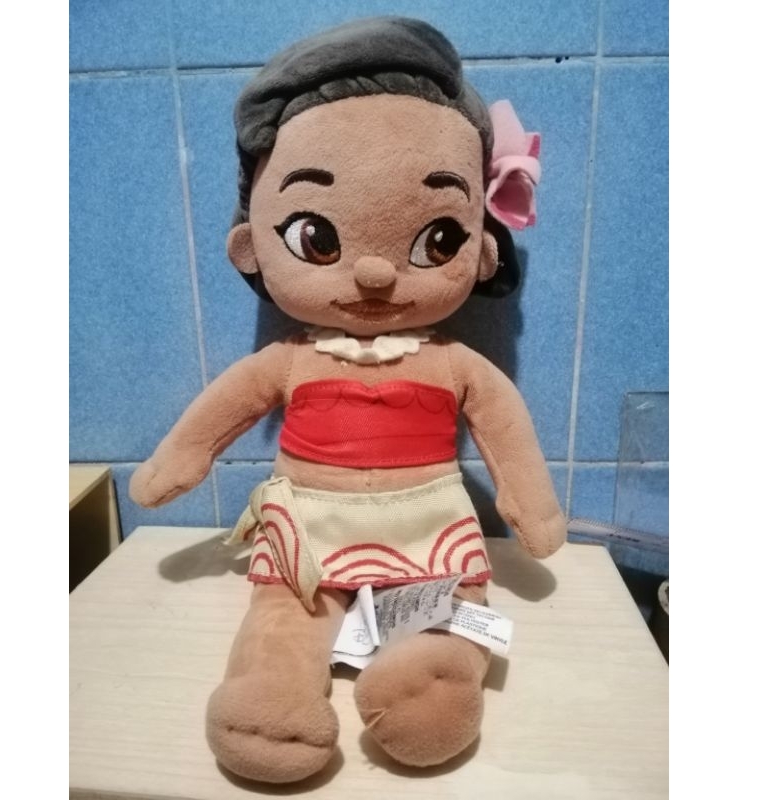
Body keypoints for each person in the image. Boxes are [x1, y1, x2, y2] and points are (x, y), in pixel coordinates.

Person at [130, 16, 565, 784]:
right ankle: (272, 694)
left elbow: (505, 427)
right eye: (317, 238)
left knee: (452, 605)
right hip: (309, 533)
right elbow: (216, 417)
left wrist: (532, 508)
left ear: (480, 251)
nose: (372, 274)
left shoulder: (457, 365)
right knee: (283, 614)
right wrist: (178, 462)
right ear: (251, 246)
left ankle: (432, 679)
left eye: (437, 240)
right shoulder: (286, 362)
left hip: (428, 528)